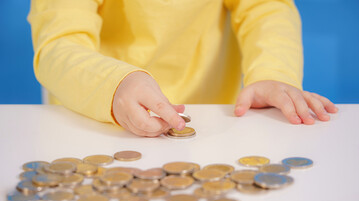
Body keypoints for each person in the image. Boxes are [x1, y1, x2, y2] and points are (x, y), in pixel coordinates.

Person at [28, 0, 338, 137]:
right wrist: (113, 84)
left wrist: (273, 72)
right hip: (93, 117)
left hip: (208, 120)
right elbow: (59, 44)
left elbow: (266, 8)